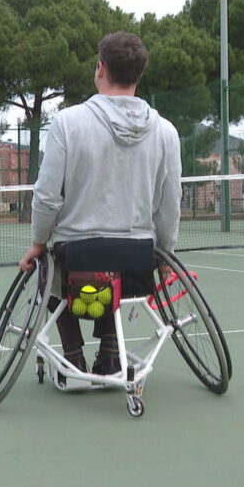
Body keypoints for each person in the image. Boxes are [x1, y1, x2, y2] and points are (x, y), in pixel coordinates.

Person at [18, 31, 182, 376]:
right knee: (115, 270)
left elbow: (47, 195)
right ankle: (110, 351)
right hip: (137, 258)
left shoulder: (67, 123)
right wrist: (166, 252)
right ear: (139, 74)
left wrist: (37, 243)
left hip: (77, 255)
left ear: (100, 68)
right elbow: (170, 204)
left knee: (47, 269)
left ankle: (72, 354)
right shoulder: (167, 132)